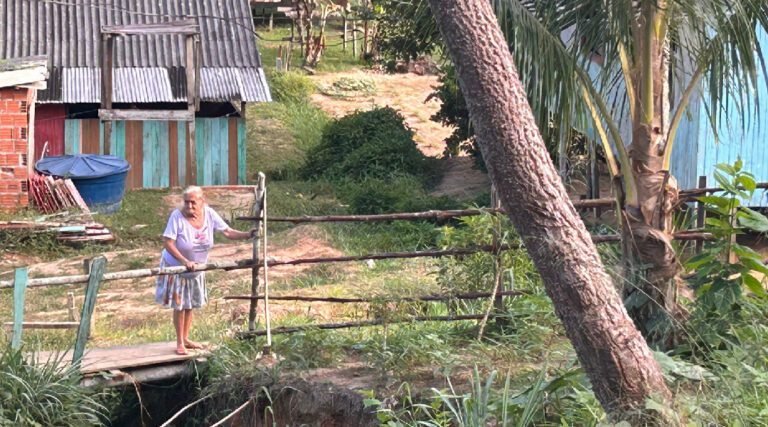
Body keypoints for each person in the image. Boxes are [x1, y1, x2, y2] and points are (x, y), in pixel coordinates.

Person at [155, 186, 255, 355]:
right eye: (186, 202)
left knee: (190, 304)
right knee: (180, 305)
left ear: (202, 201)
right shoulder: (177, 216)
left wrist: (247, 234)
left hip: (197, 268)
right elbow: (168, 242)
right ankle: (180, 342)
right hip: (177, 266)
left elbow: (228, 232)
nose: (189, 206)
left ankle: (186, 338)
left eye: (193, 202)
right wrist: (184, 261)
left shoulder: (209, 213)